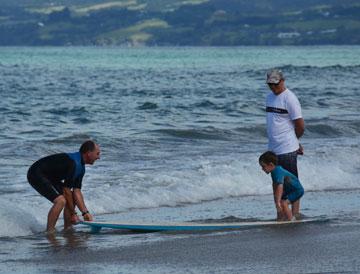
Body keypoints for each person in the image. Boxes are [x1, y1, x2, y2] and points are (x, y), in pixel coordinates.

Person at [27, 140, 100, 233]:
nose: (99, 157)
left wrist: (85, 213)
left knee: (71, 198)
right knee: (60, 201)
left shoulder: (81, 167)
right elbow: (66, 190)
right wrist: (73, 213)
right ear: (89, 153)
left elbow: (76, 191)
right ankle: (49, 232)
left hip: (50, 177)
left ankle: (68, 229)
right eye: (97, 154)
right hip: (36, 174)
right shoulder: (74, 163)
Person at [265, 68, 305, 177]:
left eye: (275, 84)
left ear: (282, 81)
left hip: (287, 150)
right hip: (273, 149)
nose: (273, 87)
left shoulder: (290, 98)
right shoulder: (269, 97)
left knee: (291, 185)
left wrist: (295, 142)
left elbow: (300, 126)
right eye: (270, 84)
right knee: (278, 183)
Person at [259, 151, 304, 221]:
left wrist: (277, 202)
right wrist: (276, 199)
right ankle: (282, 218)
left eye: (263, 166)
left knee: (283, 203)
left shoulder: (277, 171)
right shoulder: (274, 171)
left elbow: (280, 186)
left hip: (297, 190)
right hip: (290, 190)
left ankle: (291, 220)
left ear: (271, 165)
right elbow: (275, 185)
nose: (262, 169)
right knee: (281, 203)